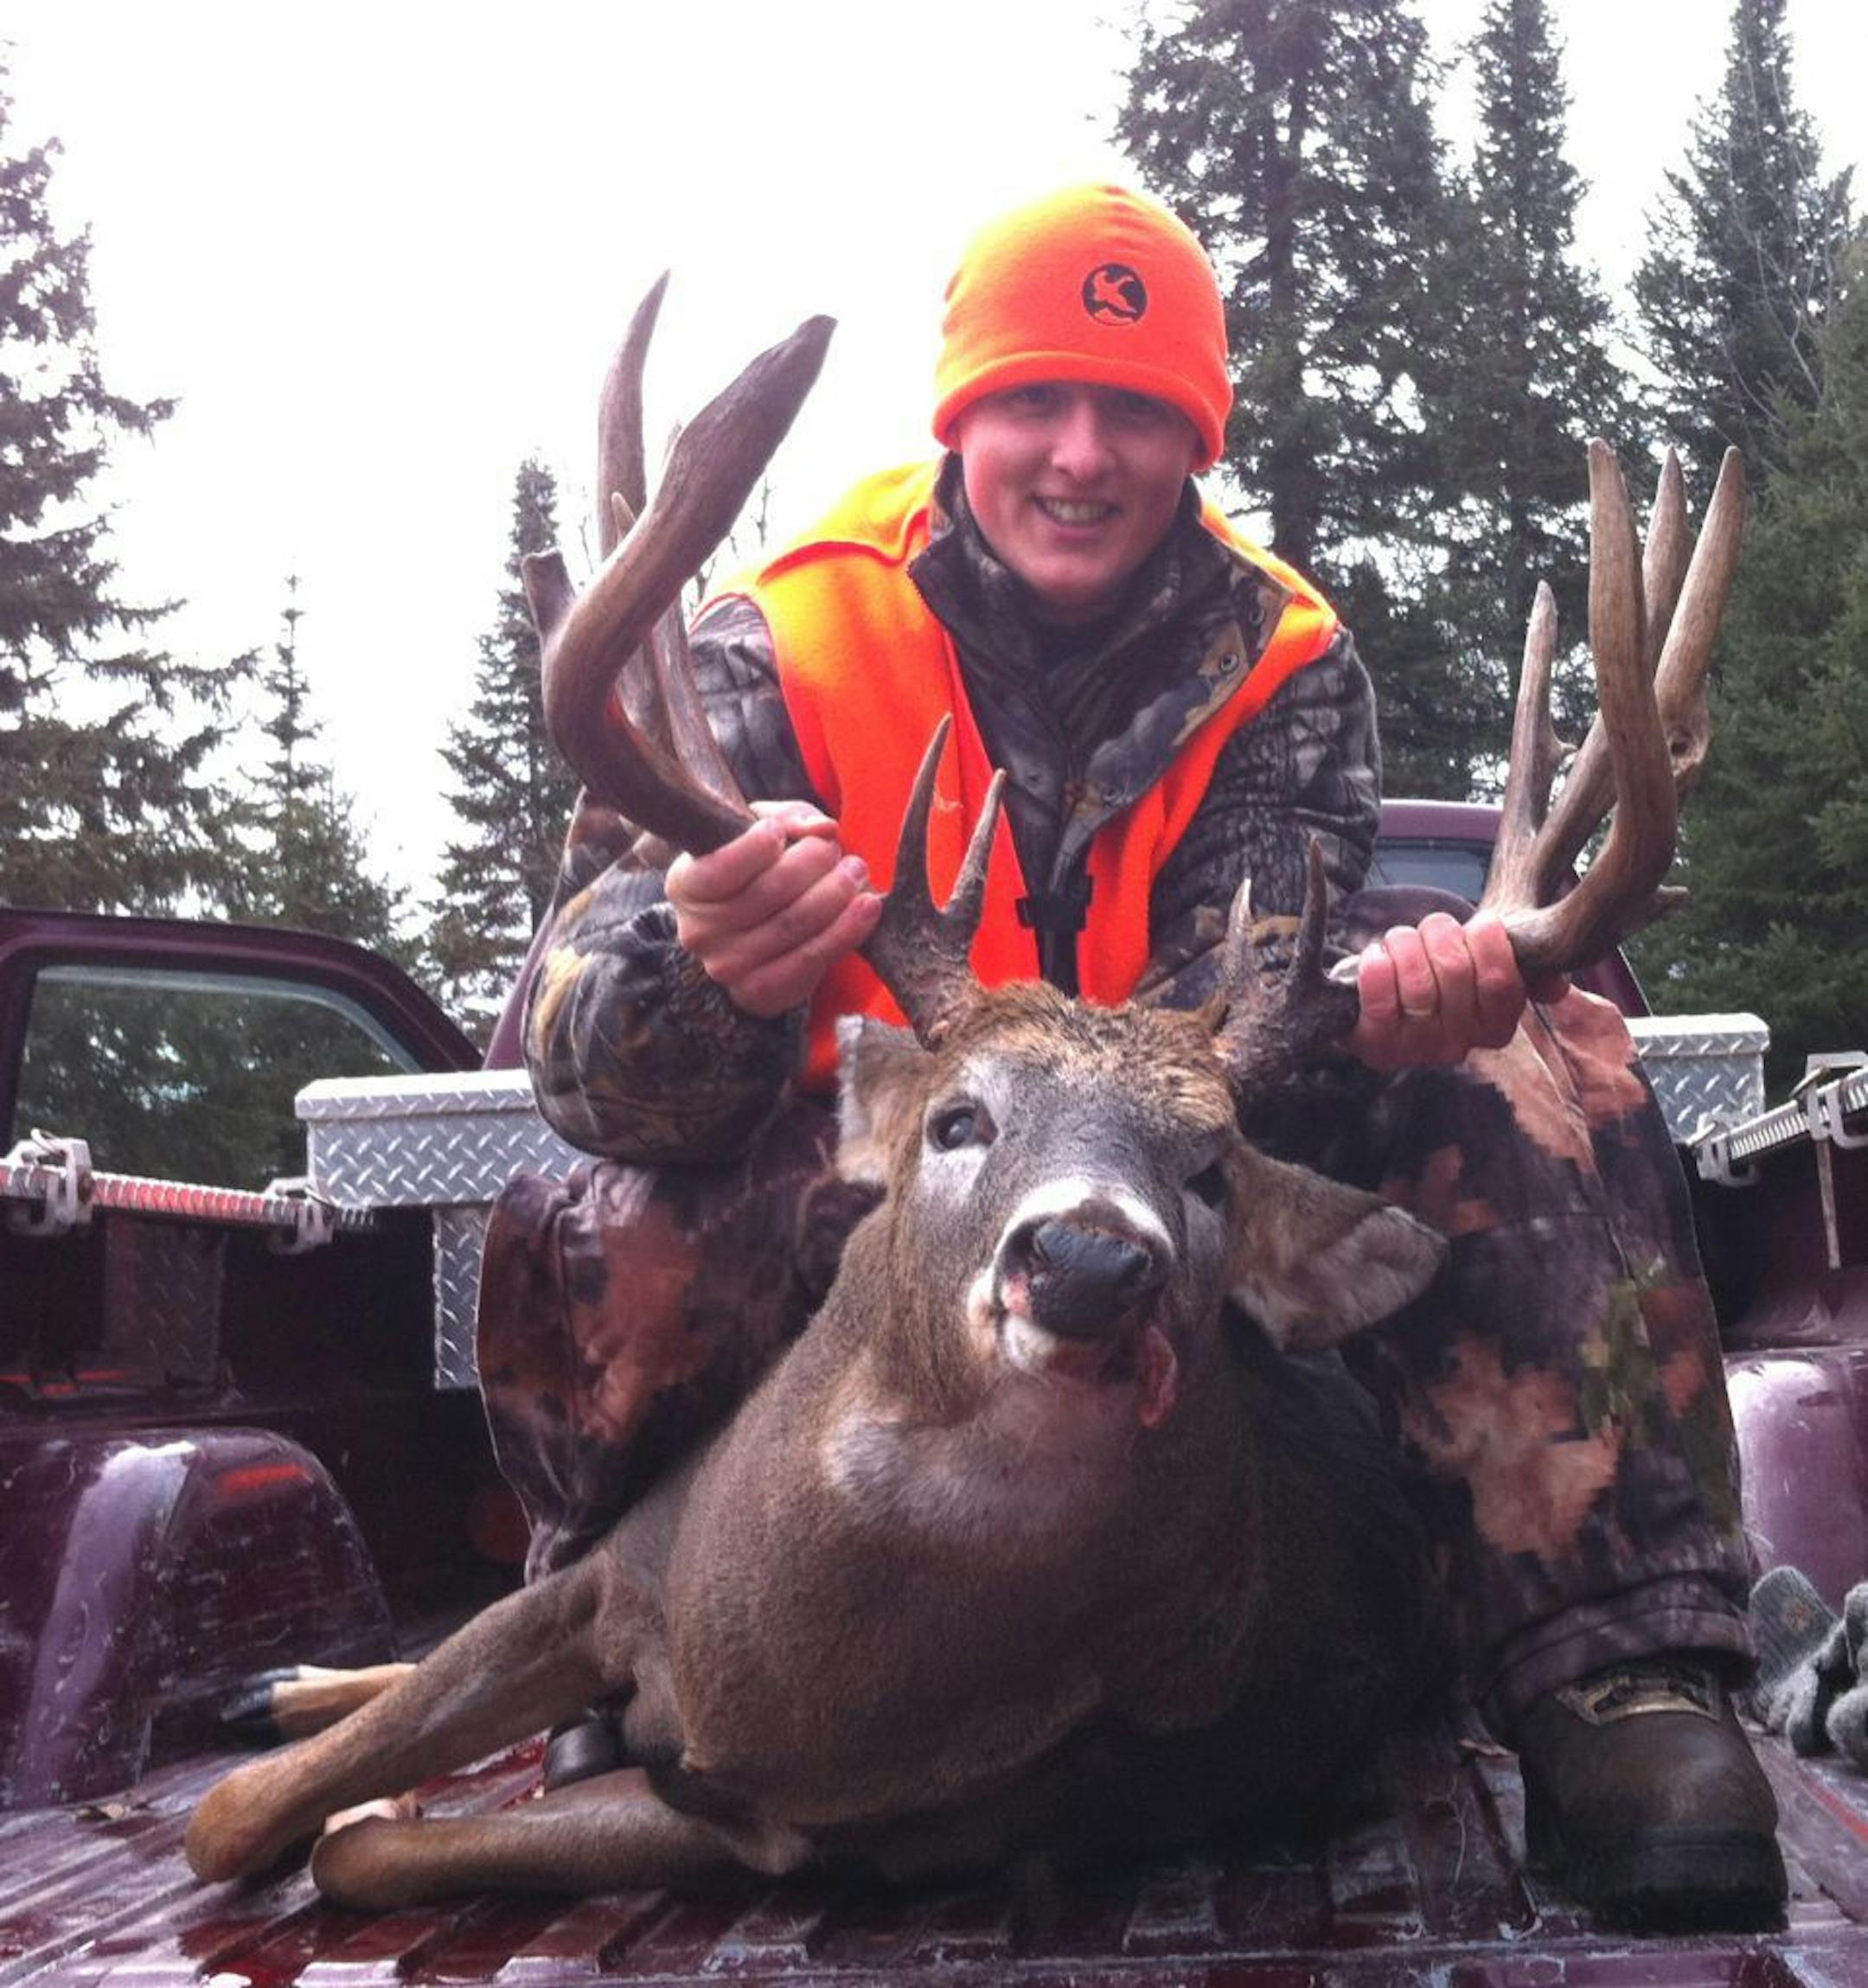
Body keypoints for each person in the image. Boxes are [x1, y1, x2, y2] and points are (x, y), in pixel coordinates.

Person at [484, 182, 1783, 1928]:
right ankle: (612, 1647)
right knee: (613, 1221)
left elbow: (1239, 1019)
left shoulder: (1284, 667)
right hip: (873, 1196)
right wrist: (702, 970)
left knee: (1535, 1061)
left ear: (1197, 437)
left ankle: (1612, 1666)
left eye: (1138, 408)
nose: (1083, 455)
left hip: (1142, 1217)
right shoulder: (777, 643)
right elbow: (574, 1047)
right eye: (1034, 397)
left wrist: (1416, 997)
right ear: (960, 416)